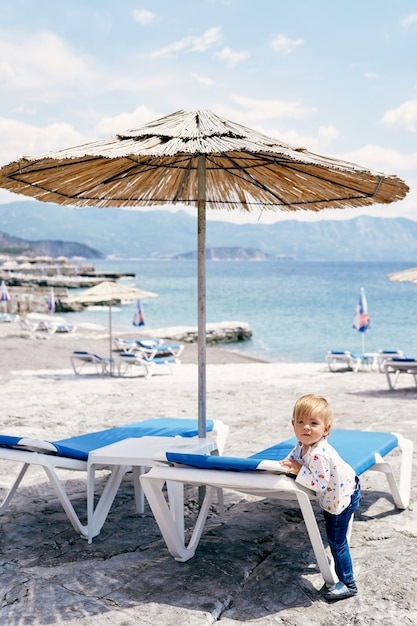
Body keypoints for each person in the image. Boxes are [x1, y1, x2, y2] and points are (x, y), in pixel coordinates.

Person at [280, 394, 361, 602]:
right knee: (334, 536)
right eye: (300, 422)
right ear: (293, 424)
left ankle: (349, 584)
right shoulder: (301, 444)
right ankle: (346, 580)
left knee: (337, 541)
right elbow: (293, 457)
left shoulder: (320, 454)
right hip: (336, 494)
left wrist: (298, 470)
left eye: (313, 423)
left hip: (343, 498)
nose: (306, 427)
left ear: (326, 430)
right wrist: (288, 464)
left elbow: (319, 483)